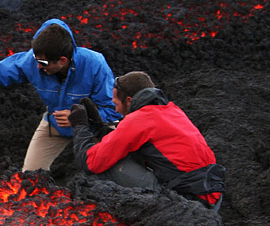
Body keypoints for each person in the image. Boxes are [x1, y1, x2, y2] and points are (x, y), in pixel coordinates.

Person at [0, 18, 122, 172]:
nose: (38, 67)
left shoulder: (95, 64)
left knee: (111, 177)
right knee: (30, 178)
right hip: (55, 124)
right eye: (36, 60)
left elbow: (111, 111)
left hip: (96, 127)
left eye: (44, 64)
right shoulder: (32, 61)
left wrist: (80, 120)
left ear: (62, 60)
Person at [68, 71, 225, 209]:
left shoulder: (138, 119)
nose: (115, 109)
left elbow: (90, 162)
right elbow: (125, 142)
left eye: (116, 103)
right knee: (118, 154)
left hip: (189, 202)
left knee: (107, 167)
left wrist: (80, 125)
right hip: (212, 194)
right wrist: (97, 126)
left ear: (129, 100)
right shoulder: (171, 110)